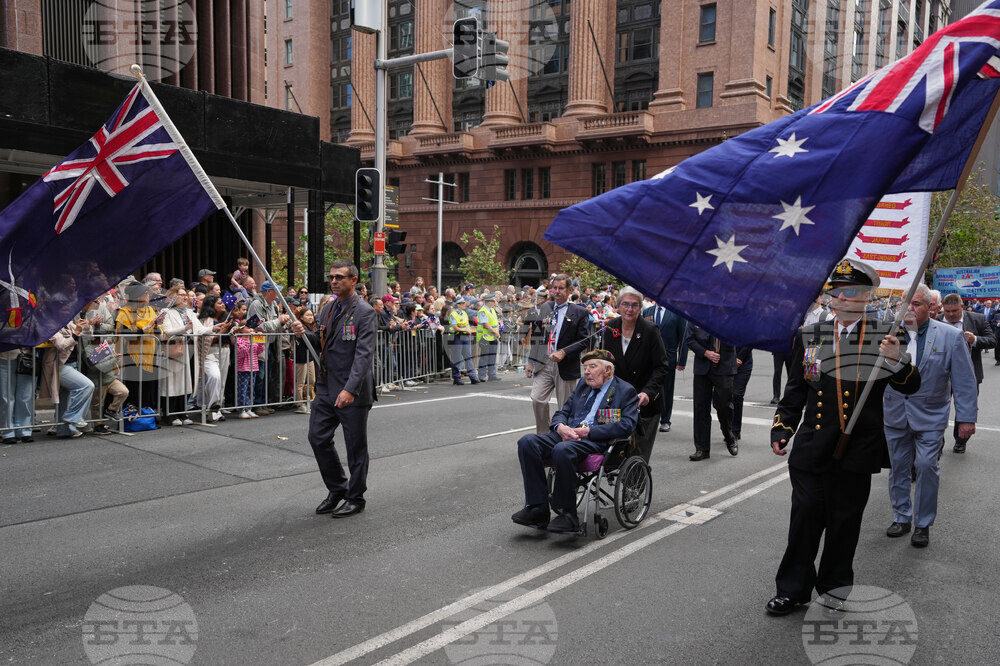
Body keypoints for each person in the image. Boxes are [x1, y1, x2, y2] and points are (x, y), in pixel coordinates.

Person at [766, 258, 921, 616]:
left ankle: (834, 590)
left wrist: (897, 361)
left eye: (850, 292)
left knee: (844, 524)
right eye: (836, 291)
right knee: (804, 518)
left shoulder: (885, 334)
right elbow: (797, 389)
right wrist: (782, 427)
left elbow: (912, 386)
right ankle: (792, 589)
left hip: (855, 448)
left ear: (867, 297)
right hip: (812, 447)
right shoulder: (812, 335)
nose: (841, 298)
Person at [883, 284, 977, 549]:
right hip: (895, 413)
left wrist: (967, 418)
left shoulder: (949, 336)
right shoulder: (888, 333)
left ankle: (923, 523)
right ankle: (901, 517)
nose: (909, 309)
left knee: (926, 466)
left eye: (916, 304)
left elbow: (964, 380)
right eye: (905, 304)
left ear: (930, 308)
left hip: (931, 413)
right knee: (898, 468)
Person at [513, 349, 639, 534]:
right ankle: (538, 507)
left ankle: (568, 514)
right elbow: (562, 412)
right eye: (585, 367)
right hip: (568, 433)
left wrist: (589, 431)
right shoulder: (583, 385)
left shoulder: (624, 390)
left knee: (563, 449)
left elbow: (627, 425)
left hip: (595, 440)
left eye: (592, 367)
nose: (586, 371)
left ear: (608, 371)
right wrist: (559, 427)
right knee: (527, 442)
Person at [291, 260, 377, 519]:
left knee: (355, 447)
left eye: (340, 277)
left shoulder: (365, 312)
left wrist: (350, 389)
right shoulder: (328, 309)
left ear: (353, 280)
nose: (334, 281)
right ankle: (338, 488)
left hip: (352, 391)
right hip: (327, 387)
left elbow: (364, 355)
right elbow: (321, 343)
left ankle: (355, 496)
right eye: (331, 277)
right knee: (317, 437)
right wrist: (302, 333)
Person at [602, 287, 668, 463]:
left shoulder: (650, 330)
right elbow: (606, 363)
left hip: (645, 401)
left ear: (640, 308)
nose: (629, 309)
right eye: (625, 304)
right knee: (611, 449)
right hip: (617, 400)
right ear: (618, 306)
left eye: (634, 305)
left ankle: (635, 485)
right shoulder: (611, 327)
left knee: (638, 453)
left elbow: (662, 367)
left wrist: (648, 392)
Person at [526, 274, 591, 434]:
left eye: (561, 288)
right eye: (554, 288)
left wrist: (564, 352)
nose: (557, 291)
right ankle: (543, 436)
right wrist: (530, 361)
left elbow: (584, 340)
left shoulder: (579, 312)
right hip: (544, 362)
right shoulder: (544, 308)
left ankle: (565, 438)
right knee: (537, 399)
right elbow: (537, 336)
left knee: (565, 406)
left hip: (565, 364)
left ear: (569, 290)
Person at [939, 293, 995, 453]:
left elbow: (992, 340)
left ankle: (961, 440)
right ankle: (936, 440)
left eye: (954, 311)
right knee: (937, 408)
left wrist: (975, 340)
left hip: (968, 375)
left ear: (962, 307)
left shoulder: (977, 319)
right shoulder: (935, 319)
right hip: (941, 374)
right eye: (947, 311)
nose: (950, 314)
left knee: (965, 408)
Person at [686, 324, 737, 460]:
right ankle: (702, 449)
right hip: (702, 367)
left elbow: (738, 334)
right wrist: (705, 353)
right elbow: (690, 340)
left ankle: (729, 436)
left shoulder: (728, 315)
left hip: (724, 366)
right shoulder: (695, 315)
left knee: (724, 406)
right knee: (700, 408)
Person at [642, 301, 688, 433]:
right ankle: (649, 417)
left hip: (669, 357)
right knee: (650, 387)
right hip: (649, 358)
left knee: (667, 389)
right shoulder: (648, 312)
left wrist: (682, 360)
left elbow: (683, 338)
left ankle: (665, 419)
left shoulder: (677, 312)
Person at [247, 280, 292, 415]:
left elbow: (276, 325)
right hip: (258, 343)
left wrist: (285, 323)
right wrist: (279, 321)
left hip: (271, 343)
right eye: (277, 290)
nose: (279, 293)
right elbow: (257, 326)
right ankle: (256, 404)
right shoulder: (256, 304)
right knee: (259, 375)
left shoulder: (273, 305)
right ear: (269, 292)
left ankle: (263, 402)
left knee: (267, 375)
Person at [447, 297, 479, 385]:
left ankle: (473, 377)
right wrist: (466, 330)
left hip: (465, 337)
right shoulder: (453, 314)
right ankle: (456, 378)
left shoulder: (464, 313)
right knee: (456, 358)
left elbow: (467, 323)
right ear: (457, 305)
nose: (463, 304)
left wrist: (468, 329)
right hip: (457, 337)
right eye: (461, 303)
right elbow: (455, 327)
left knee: (468, 357)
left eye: (463, 303)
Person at [294, 308, 318, 413]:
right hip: (301, 357)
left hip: (310, 357)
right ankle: (299, 403)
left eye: (311, 315)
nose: (310, 317)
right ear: (301, 317)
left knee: (312, 380)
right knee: (300, 381)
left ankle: (308, 399)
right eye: (307, 315)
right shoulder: (299, 327)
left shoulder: (312, 327)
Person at [731, 345, 754, 442]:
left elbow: (750, 341)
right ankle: (726, 427)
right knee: (724, 397)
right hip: (726, 362)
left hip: (743, 363)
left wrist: (739, 357)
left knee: (736, 395)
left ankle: (735, 431)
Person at [477, 293, 502, 382]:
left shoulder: (492, 310)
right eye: (494, 301)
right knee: (484, 357)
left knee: (492, 357)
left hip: (493, 337)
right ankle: (481, 375)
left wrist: (497, 332)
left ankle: (492, 375)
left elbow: (496, 323)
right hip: (485, 337)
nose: (495, 302)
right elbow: (486, 325)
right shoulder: (483, 311)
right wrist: (496, 332)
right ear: (490, 301)